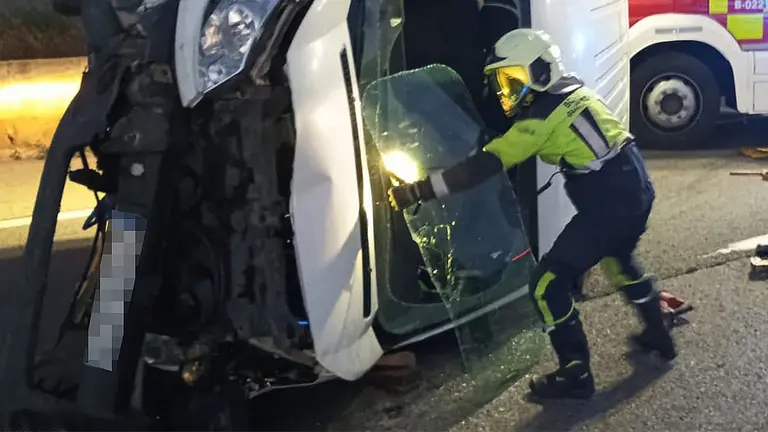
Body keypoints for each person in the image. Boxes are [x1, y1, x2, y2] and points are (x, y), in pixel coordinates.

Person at [386, 28, 676, 400]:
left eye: (513, 81)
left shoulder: (538, 121)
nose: (507, 92)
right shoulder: (575, 91)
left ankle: (576, 374)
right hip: (636, 190)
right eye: (502, 83)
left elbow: (484, 165)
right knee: (619, 260)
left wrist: (419, 190)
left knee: (546, 284)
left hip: (608, 208)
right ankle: (659, 335)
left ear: (540, 71)